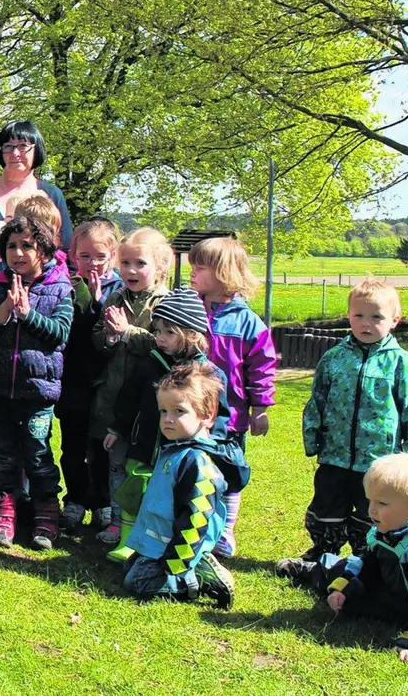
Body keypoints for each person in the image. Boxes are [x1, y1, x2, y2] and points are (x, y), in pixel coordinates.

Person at [275, 452, 408, 664]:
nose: (371, 510)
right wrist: (344, 588)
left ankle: (324, 574)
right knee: (344, 579)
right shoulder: (386, 528)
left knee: (360, 608)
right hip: (393, 586)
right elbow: (367, 564)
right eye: (370, 501)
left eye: (382, 503)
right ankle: (315, 570)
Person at [284, 278, 408, 562]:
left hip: (377, 459)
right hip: (335, 454)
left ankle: (368, 554)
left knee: (370, 508)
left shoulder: (400, 362)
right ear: (349, 316)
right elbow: (317, 400)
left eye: (376, 317)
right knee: (327, 502)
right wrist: (312, 439)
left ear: (394, 320)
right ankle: (324, 551)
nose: (366, 323)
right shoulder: (334, 358)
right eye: (358, 315)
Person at [0, 216, 75, 550]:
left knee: (38, 450)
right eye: (11, 246)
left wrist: (29, 313)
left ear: (43, 251)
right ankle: (3, 508)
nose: (17, 253)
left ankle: (46, 510)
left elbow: (59, 335)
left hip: (38, 389)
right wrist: (4, 309)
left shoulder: (60, 287)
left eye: (26, 246)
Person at [99, 288, 223, 563]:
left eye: (168, 332)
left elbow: (219, 413)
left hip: (180, 453)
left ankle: (169, 546)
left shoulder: (205, 374)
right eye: (157, 331)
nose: (160, 338)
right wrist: (117, 428)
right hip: (143, 445)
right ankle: (128, 542)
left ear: (190, 333)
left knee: (169, 500)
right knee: (135, 492)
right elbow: (129, 398)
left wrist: (217, 442)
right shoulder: (149, 363)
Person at [121, 363, 246, 609]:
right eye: (163, 411)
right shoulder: (174, 448)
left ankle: (197, 577)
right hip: (161, 545)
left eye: (179, 411)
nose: (168, 419)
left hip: (179, 551)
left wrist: (176, 564)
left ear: (207, 415)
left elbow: (196, 517)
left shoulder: (196, 461)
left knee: (136, 583)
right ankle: (189, 568)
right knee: (129, 567)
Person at [188, 235, 277, 558]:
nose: (192, 274)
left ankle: (225, 530)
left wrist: (261, 407)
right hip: (190, 414)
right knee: (192, 470)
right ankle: (192, 524)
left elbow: (262, 367)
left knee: (230, 472)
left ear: (223, 273)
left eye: (199, 268)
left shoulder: (247, 322)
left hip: (231, 418)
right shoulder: (190, 309)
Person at [90, 227, 172, 542]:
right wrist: (108, 336)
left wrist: (126, 332)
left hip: (149, 400)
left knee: (143, 464)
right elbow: (98, 338)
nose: (131, 270)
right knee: (115, 462)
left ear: (160, 267)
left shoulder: (164, 303)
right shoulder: (114, 296)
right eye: (125, 263)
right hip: (113, 395)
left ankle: (145, 522)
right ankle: (116, 520)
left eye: (140, 263)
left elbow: (164, 344)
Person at [58, 217, 123, 531]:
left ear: (113, 256)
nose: (92, 263)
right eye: (85, 256)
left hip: (108, 383)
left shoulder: (121, 289)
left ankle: (103, 502)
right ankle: (74, 499)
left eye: (100, 256)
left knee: (102, 447)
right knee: (72, 445)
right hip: (73, 378)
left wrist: (98, 301)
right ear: (73, 255)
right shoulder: (65, 285)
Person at [0, 120, 72, 247]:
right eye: (8, 146)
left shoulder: (51, 194)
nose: (15, 153)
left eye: (23, 146)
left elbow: (66, 247)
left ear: (36, 150)